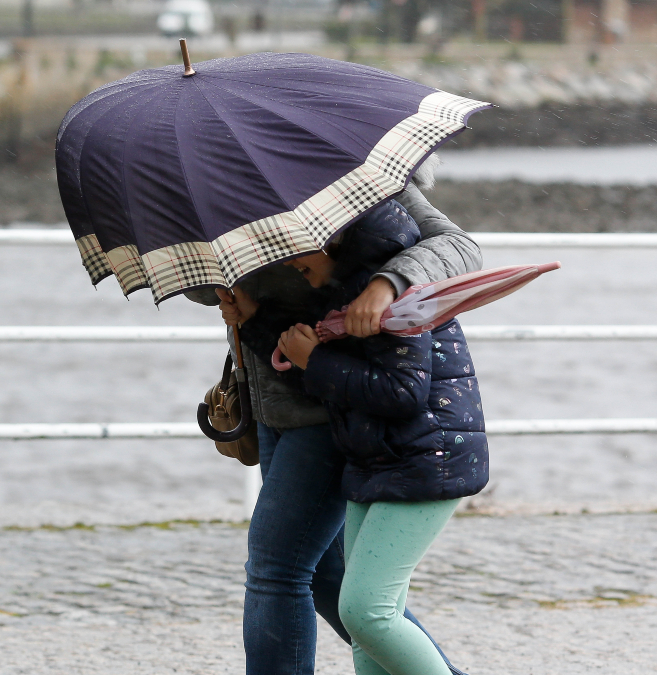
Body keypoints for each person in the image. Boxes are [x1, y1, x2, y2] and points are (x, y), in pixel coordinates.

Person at [185, 158, 480, 675]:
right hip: (276, 397)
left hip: (334, 402)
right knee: (331, 581)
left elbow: (456, 247)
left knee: (278, 569)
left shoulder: (350, 171)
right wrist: (223, 275)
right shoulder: (218, 176)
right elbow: (194, 281)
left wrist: (386, 283)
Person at [273, 200, 487, 675]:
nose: (287, 260)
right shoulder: (341, 292)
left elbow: (403, 392)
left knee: (365, 613)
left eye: (294, 244)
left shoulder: (389, 293)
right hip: (376, 461)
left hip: (427, 458)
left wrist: (316, 361)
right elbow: (335, 380)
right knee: (366, 635)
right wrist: (255, 323)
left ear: (332, 234)